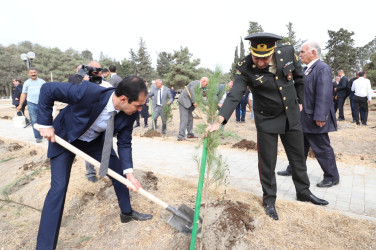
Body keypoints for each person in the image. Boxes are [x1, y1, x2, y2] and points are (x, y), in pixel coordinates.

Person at [206, 32, 328, 221]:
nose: (260, 62)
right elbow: (235, 94)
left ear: (273, 51)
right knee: (267, 163)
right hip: (267, 119)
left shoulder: (287, 53)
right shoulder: (245, 67)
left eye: (264, 58)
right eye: (256, 57)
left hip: (291, 115)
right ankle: (269, 200)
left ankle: (303, 191)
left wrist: (300, 100)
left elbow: (299, 78)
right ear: (251, 53)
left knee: (297, 157)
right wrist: (219, 120)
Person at [36, 75, 152, 249]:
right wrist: (45, 123)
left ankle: (126, 213)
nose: (141, 109)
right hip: (65, 137)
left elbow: (124, 143)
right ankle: (44, 246)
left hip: (93, 142)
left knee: (119, 171)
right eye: (138, 105)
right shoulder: (87, 92)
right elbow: (47, 89)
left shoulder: (128, 114)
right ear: (123, 99)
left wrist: (129, 173)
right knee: (58, 189)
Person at [278, 41, 340, 187]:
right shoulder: (307, 69)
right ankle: (294, 169)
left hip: (314, 118)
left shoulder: (322, 68)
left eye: (302, 52)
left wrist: (320, 116)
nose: (300, 55)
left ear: (313, 52)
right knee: (299, 146)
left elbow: (324, 93)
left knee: (322, 148)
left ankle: (332, 176)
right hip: (304, 116)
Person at [16, 68, 46, 143]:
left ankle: (45, 133)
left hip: (42, 103)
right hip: (31, 104)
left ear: (37, 73)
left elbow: (47, 92)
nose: (33, 74)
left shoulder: (42, 82)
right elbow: (23, 94)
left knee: (44, 119)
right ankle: (38, 137)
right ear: (28, 74)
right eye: (31, 72)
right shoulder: (26, 83)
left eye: (34, 72)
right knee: (34, 120)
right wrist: (20, 105)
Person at [177, 77, 209, 141]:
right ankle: (180, 136)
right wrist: (194, 101)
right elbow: (192, 90)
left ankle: (190, 134)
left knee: (190, 119)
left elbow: (200, 98)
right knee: (184, 119)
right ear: (203, 81)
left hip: (188, 105)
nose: (206, 86)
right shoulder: (196, 83)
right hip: (184, 102)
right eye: (206, 84)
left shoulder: (200, 89)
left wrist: (207, 104)